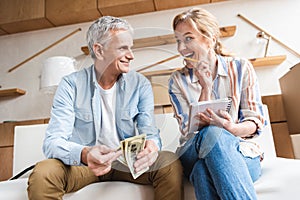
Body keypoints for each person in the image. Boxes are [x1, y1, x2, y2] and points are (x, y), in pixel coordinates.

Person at [27, 16, 183, 200]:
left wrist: (152, 147)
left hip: (127, 163)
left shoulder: (140, 84)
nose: (131, 55)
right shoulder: (71, 84)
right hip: (84, 166)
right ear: (99, 50)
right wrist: (85, 154)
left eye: (130, 48)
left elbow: (149, 131)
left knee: (169, 163)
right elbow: (53, 142)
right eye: (123, 48)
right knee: (44, 173)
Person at [168, 8, 266, 200]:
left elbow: (255, 121)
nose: (181, 48)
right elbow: (189, 131)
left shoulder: (241, 68)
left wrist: (231, 128)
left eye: (188, 38)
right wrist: (205, 87)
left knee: (202, 171)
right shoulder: (177, 80)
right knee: (213, 133)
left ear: (211, 38)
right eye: (178, 40)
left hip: (239, 150)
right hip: (192, 151)